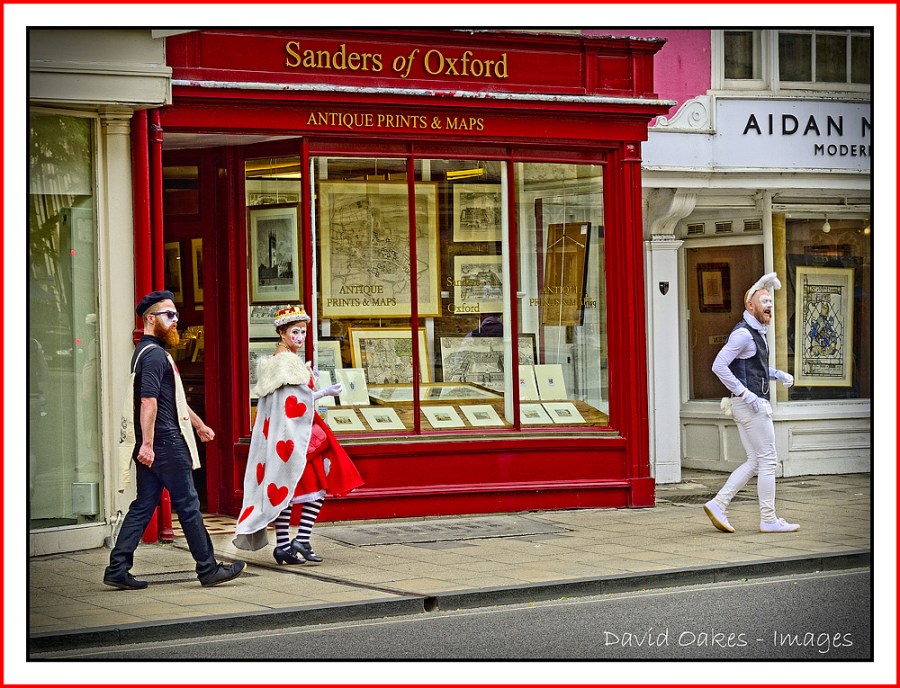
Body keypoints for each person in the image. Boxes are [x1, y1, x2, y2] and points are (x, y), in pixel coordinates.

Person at [104, 290, 246, 590]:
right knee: (189, 505)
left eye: (176, 315)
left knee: (143, 505)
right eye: (169, 315)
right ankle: (208, 569)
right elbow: (148, 402)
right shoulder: (154, 354)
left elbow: (174, 401)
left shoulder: (147, 351)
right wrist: (147, 444)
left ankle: (117, 567)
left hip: (158, 443)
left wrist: (199, 425)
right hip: (166, 444)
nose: (175, 321)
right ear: (150, 318)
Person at [233, 305, 363, 565]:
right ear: (282, 332)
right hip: (298, 438)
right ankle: (299, 539)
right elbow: (294, 404)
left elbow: (288, 403)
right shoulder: (284, 364)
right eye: (295, 332)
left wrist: (312, 385)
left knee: (291, 491)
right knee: (315, 487)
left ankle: (285, 546)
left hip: (289, 437)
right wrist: (323, 393)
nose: (301, 338)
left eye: (303, 332)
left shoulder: (277, 362)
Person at [703, 272, 800, 534]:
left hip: (745, 406)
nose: (769, 305)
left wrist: (776, 374)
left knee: (755, 461)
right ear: (750, 305)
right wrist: (746, 394)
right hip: (749, 406)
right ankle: (768, 519)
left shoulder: (756, 331)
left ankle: (718, 503)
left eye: (770, 301)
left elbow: (751, 367)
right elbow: (719, 366)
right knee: (768, 460)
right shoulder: (743, 334)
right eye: (764, 301)